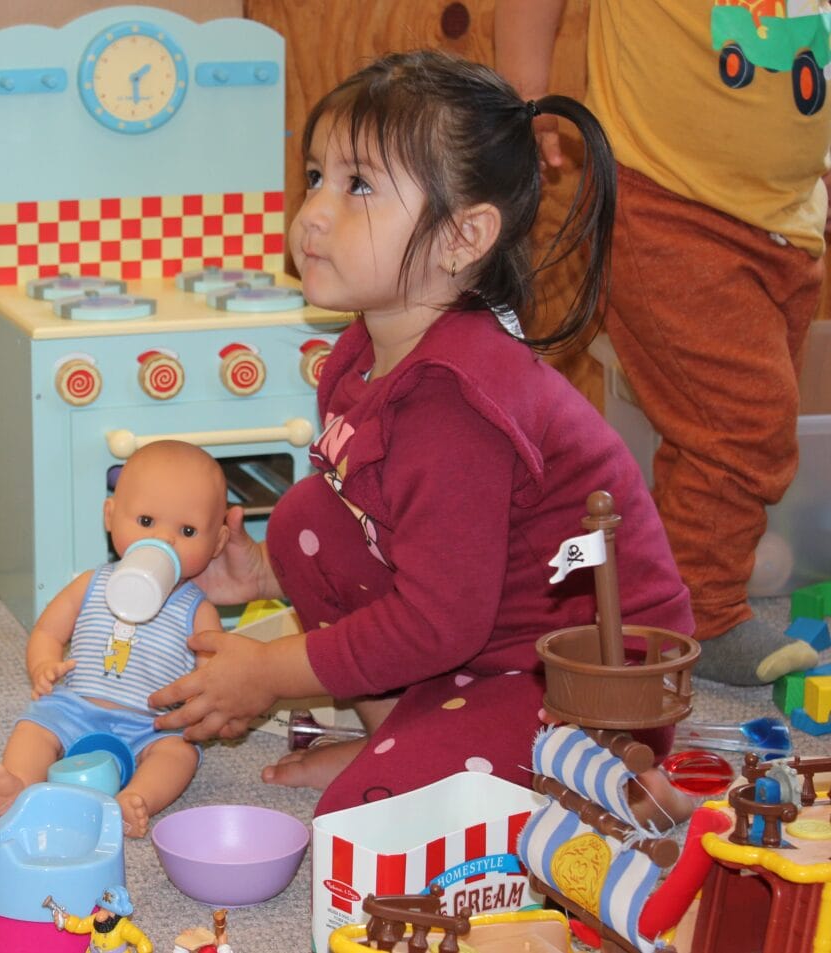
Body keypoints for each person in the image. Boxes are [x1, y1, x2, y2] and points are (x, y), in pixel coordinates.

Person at [145, 49, 696, 816]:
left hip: (580, 684)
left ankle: (608, 780)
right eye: (315, 177)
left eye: (359, 185)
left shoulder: (455, 403)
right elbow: (398, 538)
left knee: (369, 820)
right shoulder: (364, 350)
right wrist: (266, 574)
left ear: (464, 237)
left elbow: (437, 619)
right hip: (475, 634)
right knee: (307, 518)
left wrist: (270, 671)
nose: (314, 213)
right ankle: (406, 732)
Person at [495, 0, 831, 685]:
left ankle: (671, 584)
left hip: (787, 214)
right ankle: (700, 615)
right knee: (743, 420)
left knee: (732, 425)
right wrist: (524, 96)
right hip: (666, 201)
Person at [0, 439, 229, 837]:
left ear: (218, 543)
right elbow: (48, 630)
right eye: (146, 522)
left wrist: (199, 703)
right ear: (110, 516)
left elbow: (213, 672)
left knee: (178, 754)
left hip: (151, 726)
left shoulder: (197, 609)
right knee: (35, 727)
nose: (164, 540)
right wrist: (43, 665)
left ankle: (136, 799)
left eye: (188, 530)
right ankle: (19, 786)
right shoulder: (92, 583)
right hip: (76, 708)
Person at [51, 885, 153, 953]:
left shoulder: (124, 927)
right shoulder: (95, 920)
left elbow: (140, 939)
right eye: (103, 908)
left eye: (109, 910)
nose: (103, 913)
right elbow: (79, 925)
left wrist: (144, 948)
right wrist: (66, 921)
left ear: (118, 914)